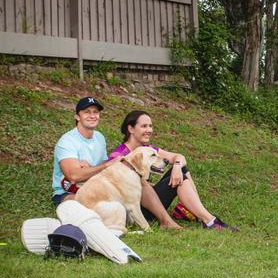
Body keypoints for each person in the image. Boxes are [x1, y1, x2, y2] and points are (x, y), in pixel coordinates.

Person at [52, 97, 182, 230]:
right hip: (67, 192)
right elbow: (74, 176)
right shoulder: (67, 142)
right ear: (77, 116)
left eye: (95, 112)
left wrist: (93, 168)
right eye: (87, 112)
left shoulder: (99, 137)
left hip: (93, 185)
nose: (92, 115)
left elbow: (100, 168)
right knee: (79, 208)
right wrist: (107, 165)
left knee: (118, 202)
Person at [108, 110, 238, 232]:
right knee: (171, 176)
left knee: (181, 169)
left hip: (150, 201)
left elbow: (179, 157)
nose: (149, 130)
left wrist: (176, 166)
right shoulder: (120, 155)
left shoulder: (147, 149)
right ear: (130, 129)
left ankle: (201, 214)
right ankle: (206, 219)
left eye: (150, 126)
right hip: (137, 210)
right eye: (144, 126)